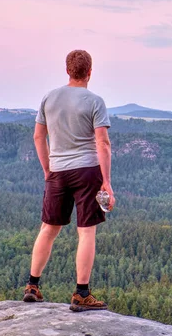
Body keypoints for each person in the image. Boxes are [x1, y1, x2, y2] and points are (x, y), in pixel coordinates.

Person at [23, 50, 116, 312]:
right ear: (89, 72)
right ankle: (81, 294)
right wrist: (106, 182)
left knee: (48, 228)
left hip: (58, 171)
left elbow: (38, 137)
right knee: (86, 232)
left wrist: (47, 169)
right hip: (87, 171)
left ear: (67, 71)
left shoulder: (49, 98)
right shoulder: (95, 101)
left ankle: (32, 285)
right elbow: (103, 143)